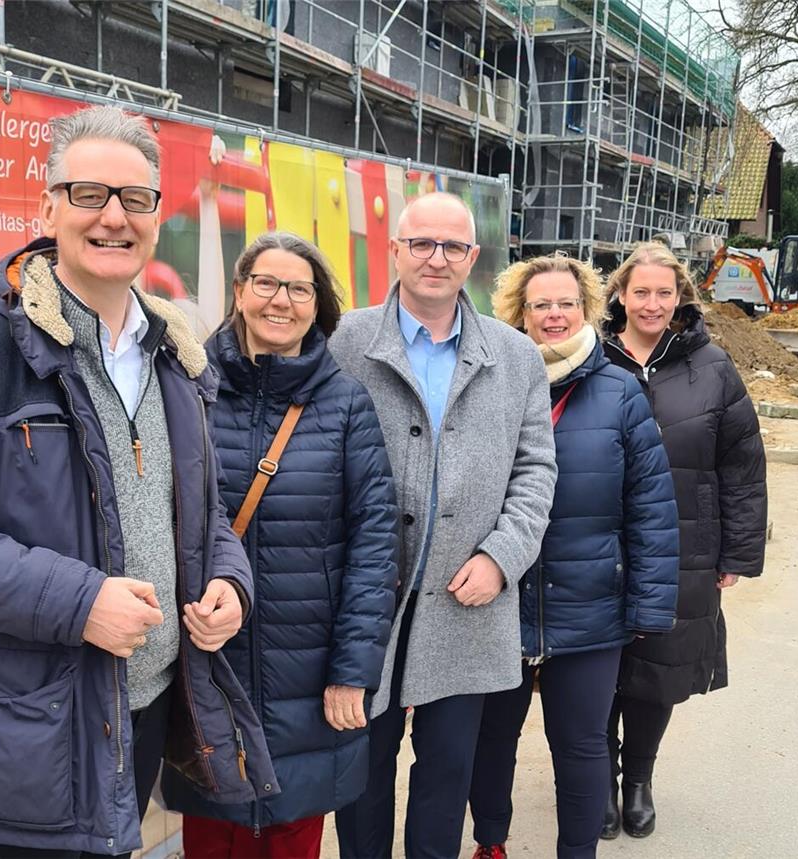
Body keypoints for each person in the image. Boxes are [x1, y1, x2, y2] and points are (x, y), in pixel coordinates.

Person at [0, 105, 278, 858]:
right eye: (89, 193)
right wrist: (81, 600)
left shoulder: (177, 361)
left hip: (147, 706)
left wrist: (229, 577)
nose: (113, 217)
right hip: (38, 727)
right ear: (48, 206)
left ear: (157, 217)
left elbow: (203, 510)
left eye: (135, 198)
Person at [329, 192, 559, 859]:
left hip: (468, 601)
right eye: (422, 243)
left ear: (473, 259)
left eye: (452, 246)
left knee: (446, 775)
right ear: (395, 250)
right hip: (364, 602)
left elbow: (537, 470)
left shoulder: (515, 356)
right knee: (359, 773)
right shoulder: (346, 340)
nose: (436, 258)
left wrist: (502, 555)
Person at [164, 232, 399, 857]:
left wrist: (353, 672)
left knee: (294, 834)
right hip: (209, 657)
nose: (281, 300)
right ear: (240, 292)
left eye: (299, 288)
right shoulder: (188, 389)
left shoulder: (346, 403)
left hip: (311, 667)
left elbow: (374, 548)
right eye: (266, 283)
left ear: (316, 305)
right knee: (212, 834)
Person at [466, 253, 679, 859]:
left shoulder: (618, 392)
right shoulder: (489, 384)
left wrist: (646, 607)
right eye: (541, 304)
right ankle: (491, 842)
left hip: (590, 606)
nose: (554, 315)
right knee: (491, 740)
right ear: (519, 313)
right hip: (498, 601)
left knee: (582, 747)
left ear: (586, 309)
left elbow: (652, 510)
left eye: (566, 303)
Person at [599, 241, 767, 839]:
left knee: (660, 666)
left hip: (685, 543)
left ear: (681, 298)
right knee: (597, 666)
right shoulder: (589, 358)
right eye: (640, 291)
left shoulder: (713, 366)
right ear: (620, 294)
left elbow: (742, 463)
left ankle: (637, 779)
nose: (651, 303)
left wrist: (738, 554)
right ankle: (599, 777)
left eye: (663, 292)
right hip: (598, 542)